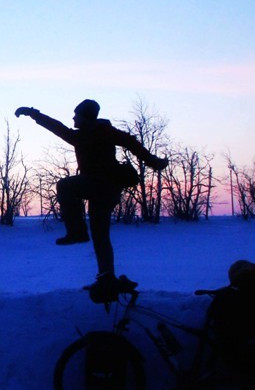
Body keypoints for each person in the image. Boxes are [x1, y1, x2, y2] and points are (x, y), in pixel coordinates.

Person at [15, 99, 169, 301]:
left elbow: (132, 144)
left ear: (85, 116)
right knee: (100, 235)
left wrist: (155, 162)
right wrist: (33, 113)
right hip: (106, 189)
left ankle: (77, 232)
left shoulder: (101, 132)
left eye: (76, 114)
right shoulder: (85, 134)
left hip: (102, 185)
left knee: (65, 186)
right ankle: (106, 277)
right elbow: (58, 128)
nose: (73, 118)